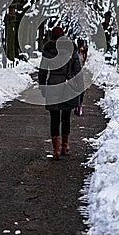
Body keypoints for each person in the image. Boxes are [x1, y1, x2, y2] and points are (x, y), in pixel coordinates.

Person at [38, 26, 84, 160]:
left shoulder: (48, 51)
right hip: (68, 87)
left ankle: (56, 150)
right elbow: (78, 72)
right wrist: (80, 90)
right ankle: (65, 146)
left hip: (52, 87)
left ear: (52, 37)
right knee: (66, 118)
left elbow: (42, 71)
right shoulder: (71, 50)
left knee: (54, 119)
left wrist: (42, 87)